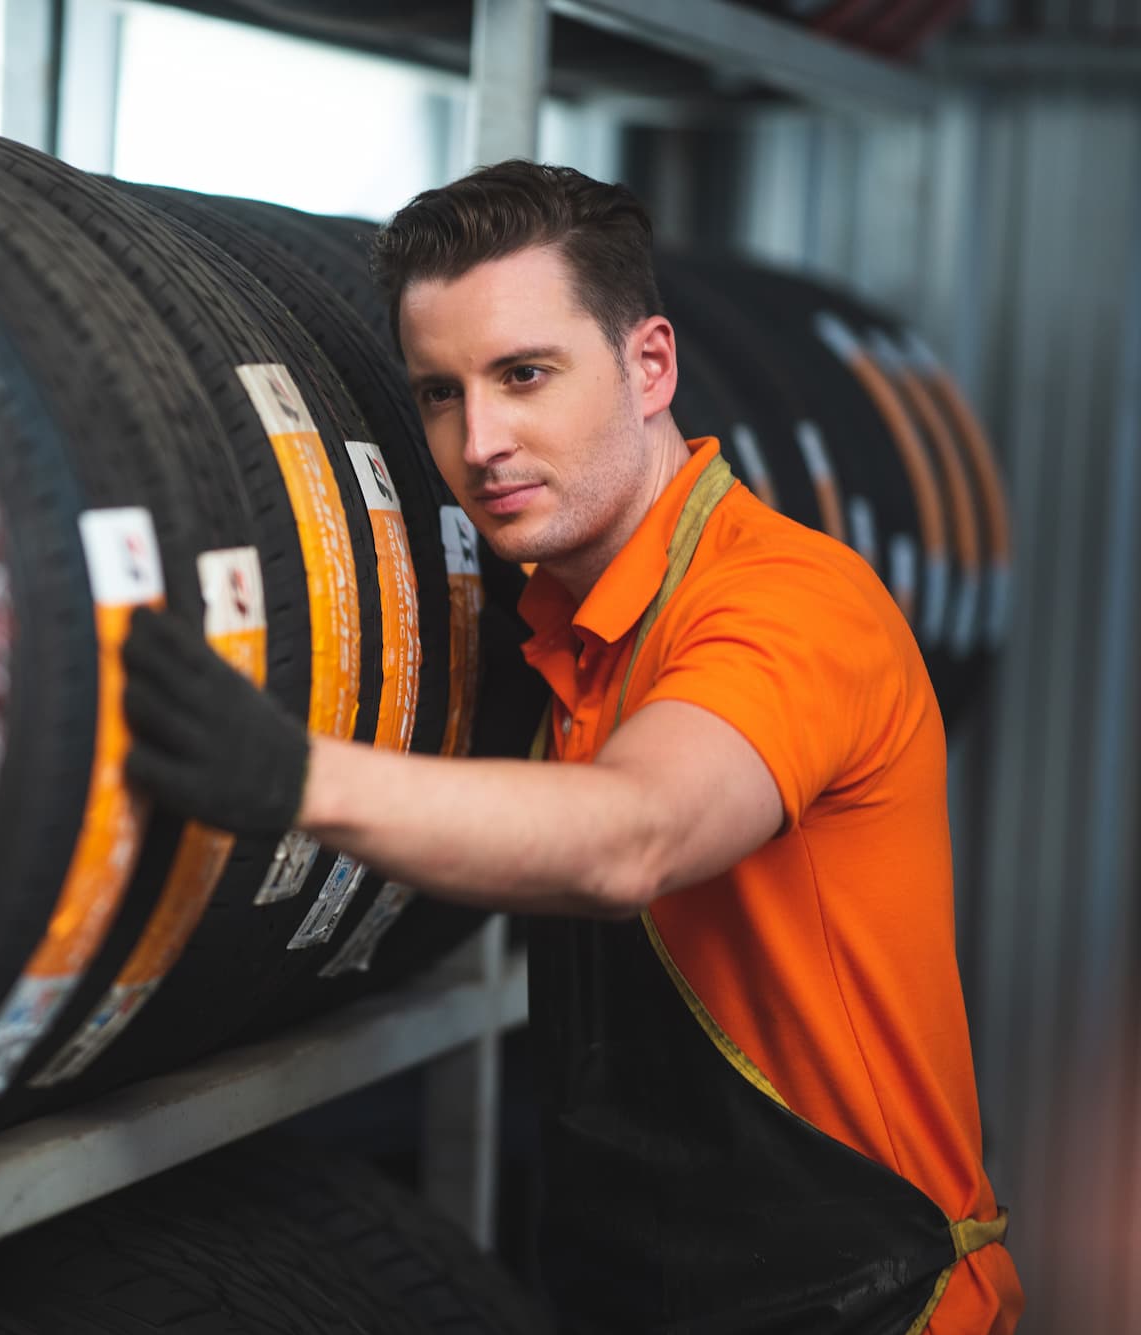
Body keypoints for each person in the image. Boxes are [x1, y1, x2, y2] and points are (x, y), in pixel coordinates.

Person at [120, 160, 1022, 1334]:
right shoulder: (571, 623)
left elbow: (631, 836)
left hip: (871, 1309)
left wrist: (295, 778)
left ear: (648, 367)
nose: (480, 441)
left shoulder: (786, 608)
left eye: (524, 375)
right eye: (438, 395)